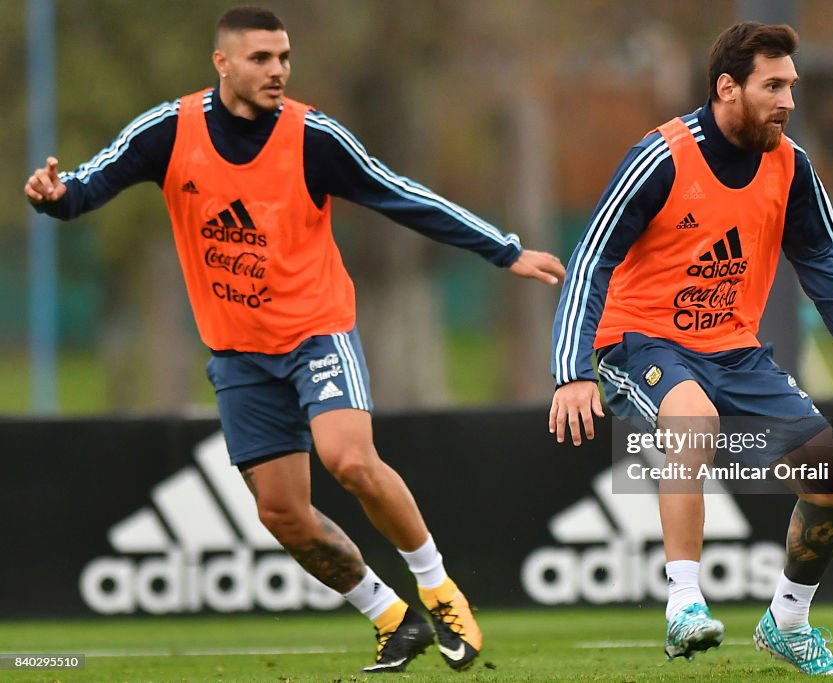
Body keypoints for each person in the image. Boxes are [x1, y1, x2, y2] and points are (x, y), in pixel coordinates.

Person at [25, 6, 564, 674]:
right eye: (261, 59)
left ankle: (438, 587)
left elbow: (404, 195)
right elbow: (86, 187)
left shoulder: (314, 138)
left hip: (316, 332)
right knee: (282, 512)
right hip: (237, 353)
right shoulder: (168, 131)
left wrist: (503, 250)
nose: (278, 70)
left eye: (284, 57)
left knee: (350, 459)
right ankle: (390, 618)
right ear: (221, 63)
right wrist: (54, 194)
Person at [549, 21, 833, 676]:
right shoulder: (661, 156)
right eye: (773, 86)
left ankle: (789, 622)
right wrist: (571, 370)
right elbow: (591, 260)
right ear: (727, 87)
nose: (788, 102)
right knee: (693, 419)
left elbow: (824, 259)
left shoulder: (790, 164)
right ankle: (684, 605)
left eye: (791, 86)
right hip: (640, 339)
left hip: (736, 350)